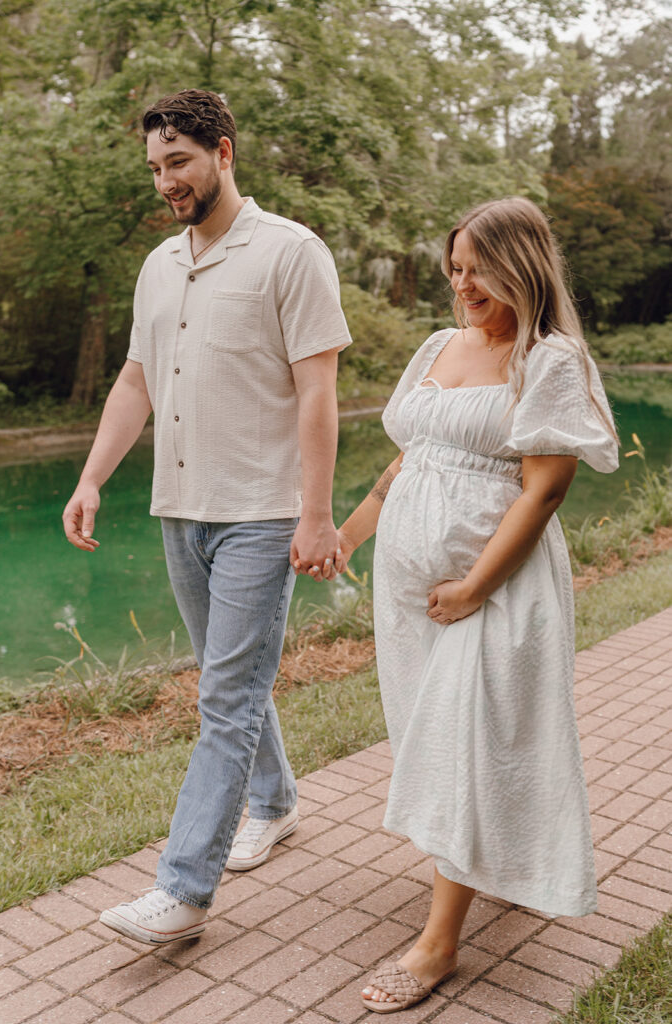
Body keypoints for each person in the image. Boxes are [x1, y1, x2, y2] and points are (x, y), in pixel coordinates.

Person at [62, 88, 352, 945]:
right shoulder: (160, 266)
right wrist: (90, 478)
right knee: (230, 678)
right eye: (155, 168)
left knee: (224, 697)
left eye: (179, 162)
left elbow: (319, 392)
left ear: (223, 152)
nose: (166, 182)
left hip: (262, 513)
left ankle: (183, 892)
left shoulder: (292, 253)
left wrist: (316, 514)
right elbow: (136, 381)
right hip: (178, 511)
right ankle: (275, 800)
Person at [329, 197, 618, 1014]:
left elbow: (544, 490)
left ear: (519, 266)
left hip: (497, 592)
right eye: (453, 269)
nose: (460, 285)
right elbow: (408, 461)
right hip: (413, 598)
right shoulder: (438, 346)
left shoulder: (548, 361)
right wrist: (347, 535)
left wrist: (474, 586)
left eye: (475, 270)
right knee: (449, 741)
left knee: (466, 743)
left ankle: (437, 944)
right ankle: (489, 867)